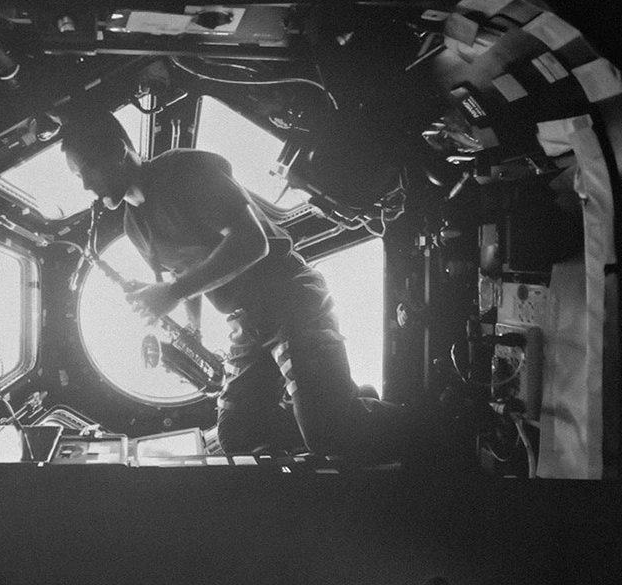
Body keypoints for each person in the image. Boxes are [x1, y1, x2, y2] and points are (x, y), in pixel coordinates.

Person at [60, 107, 393, 461]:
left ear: (117, 150)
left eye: (87, 170)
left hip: (289, 301)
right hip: (247, 322)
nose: (85, 185)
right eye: (78, 177)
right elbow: (185, 273)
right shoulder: (134, 226)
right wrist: (193, 327)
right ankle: (340, 405)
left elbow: (253, 241)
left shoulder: (184, 171)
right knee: (237, 434)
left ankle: (416, 428)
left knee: (330, 435)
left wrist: (171, 293)